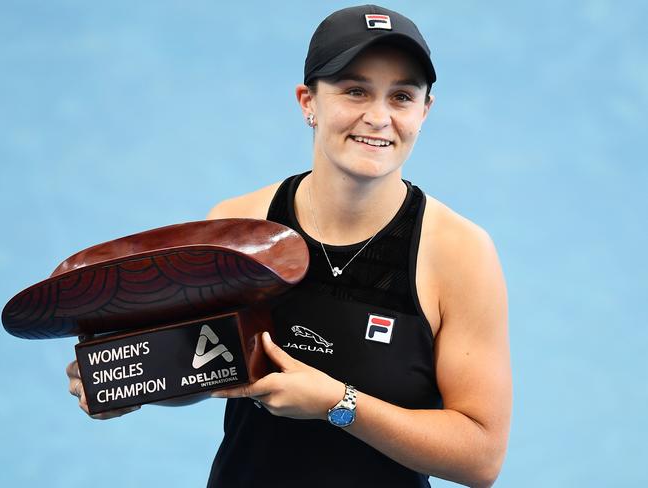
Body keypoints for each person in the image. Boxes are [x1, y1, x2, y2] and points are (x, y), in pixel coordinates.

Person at [66, 5, 511, 487]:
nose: (379, 117)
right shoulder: (238, 225)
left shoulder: (459, 253)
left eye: (401, 97)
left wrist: (337, 405)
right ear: (308, 102)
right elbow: (205, 364)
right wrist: (131, 380)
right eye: (355, 90)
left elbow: (480, 457)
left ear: (424, 111)